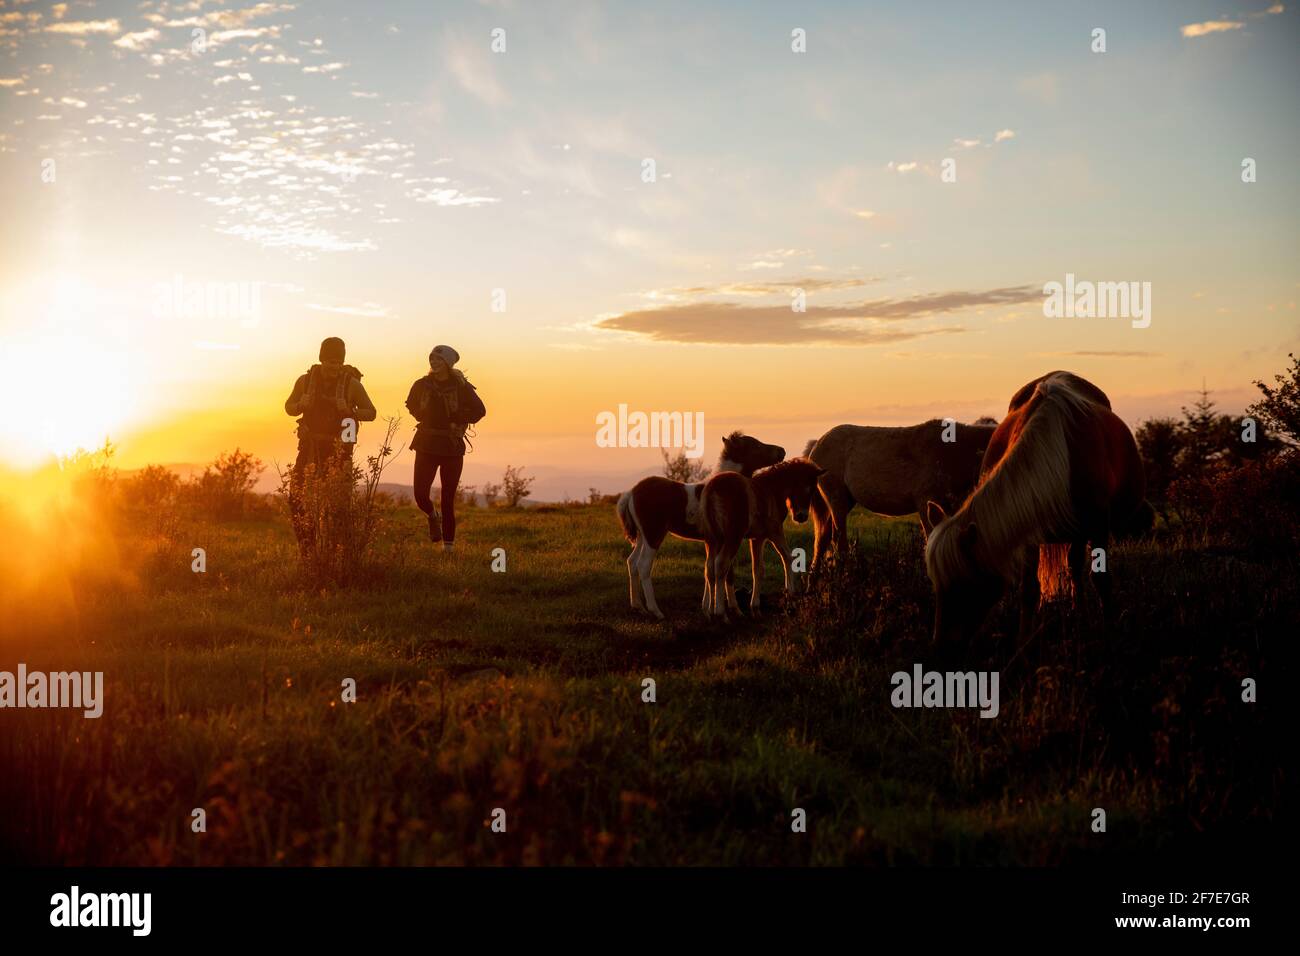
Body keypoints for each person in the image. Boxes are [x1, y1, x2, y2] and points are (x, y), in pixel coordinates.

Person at [284, 337, 377, 550]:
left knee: (337, 506)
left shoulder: (351, 384)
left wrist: (350, 411)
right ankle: (308, 549)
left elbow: (371, 412)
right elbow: (288, 407)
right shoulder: (304, 382)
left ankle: (338, 551)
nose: (334, 366)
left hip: (340, 451)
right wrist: (300, 404)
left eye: (338, 362)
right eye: (330, 361)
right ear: (321, 359)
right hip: (309, 447)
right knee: (296, 497)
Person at [405, 345, 486, 551]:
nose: (434, 362)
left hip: (451, 447)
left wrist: (459, 418)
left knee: (448, 499)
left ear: (448, 364)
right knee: (420, 495)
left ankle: (448, 549)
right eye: (432, 359)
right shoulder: (422, 384)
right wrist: (420, 415)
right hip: (426, 444)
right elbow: (410, 403)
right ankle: (433, 516)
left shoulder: (461, 386)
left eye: (439, 360)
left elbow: (480, 410)